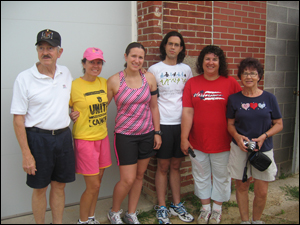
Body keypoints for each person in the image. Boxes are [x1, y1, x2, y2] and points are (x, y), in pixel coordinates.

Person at [11, 29, 75, 224]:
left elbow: (64, 101)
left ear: (59, 52)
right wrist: (26, 153)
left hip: (63, 137)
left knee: (59, 186)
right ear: (37, 50)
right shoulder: (24, 78)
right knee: (40, 188)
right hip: (38, 140)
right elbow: (18, 119)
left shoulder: (66, 73)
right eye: (41, 48)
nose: (46, 52)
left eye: (50, 48)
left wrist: (71, 111)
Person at [181, 45, 242, 224]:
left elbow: (240, 109)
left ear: (220, 62)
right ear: (201, 62)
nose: (210, 62)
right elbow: (187, 112)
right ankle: (205, 207)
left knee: (222, 176)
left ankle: (217, 209)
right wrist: (184, 138)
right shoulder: (192, 83)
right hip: (197, 141)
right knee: (200, 175)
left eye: (215, 59)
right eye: (207, 59)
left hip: (223, 141)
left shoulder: (230, 83)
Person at [106, 42, 161, 224]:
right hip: (125, 136)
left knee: (139, 176)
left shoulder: (149, 79)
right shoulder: (114, 80)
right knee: (128, 179)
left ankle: (131, 213)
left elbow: (154, 107)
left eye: (140, 57)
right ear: (125, 56)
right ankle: (114, 212)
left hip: (146, 134)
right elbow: (101, 107)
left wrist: (157, 132)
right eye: (133, 56)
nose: (137, 60)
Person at [226, 57, 283, 224]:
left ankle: (256, 220)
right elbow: (230, 124)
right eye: (245, 73)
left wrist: (264, 136)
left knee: (262, 191)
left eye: (253, 73)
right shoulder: (234, 99)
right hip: (240, 148)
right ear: (240, 77)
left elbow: (279, 124)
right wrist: (237, 137)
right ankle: (245, 220)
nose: (248, 77)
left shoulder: (269, 98)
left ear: (259, 76)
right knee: (242, 186)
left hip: (263, 149)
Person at [148, 31, 194, 224]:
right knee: (163, 167)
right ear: (165, 46)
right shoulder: (154, 69)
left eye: (177, 44)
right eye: (170, 44)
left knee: (176, 166)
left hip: (181, 124)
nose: (173, 47)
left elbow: (189, 100)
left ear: (181, 48)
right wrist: (157, 130)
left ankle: (176, 204)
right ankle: (161, 207)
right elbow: (151, 102)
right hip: (163, 123)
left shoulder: (186, 70)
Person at [69, 47, 112, 224]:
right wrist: (69, 113)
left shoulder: (104, 83)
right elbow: (57, 105)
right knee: (92, 185)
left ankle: (91, 217)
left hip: (102, 137)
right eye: (92, 62)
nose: (95, 65)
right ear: (83, 63)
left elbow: (125, 80)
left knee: (98, 182)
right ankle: (82, 220)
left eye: (99, 62)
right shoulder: (73, 85)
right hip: (85, 140)